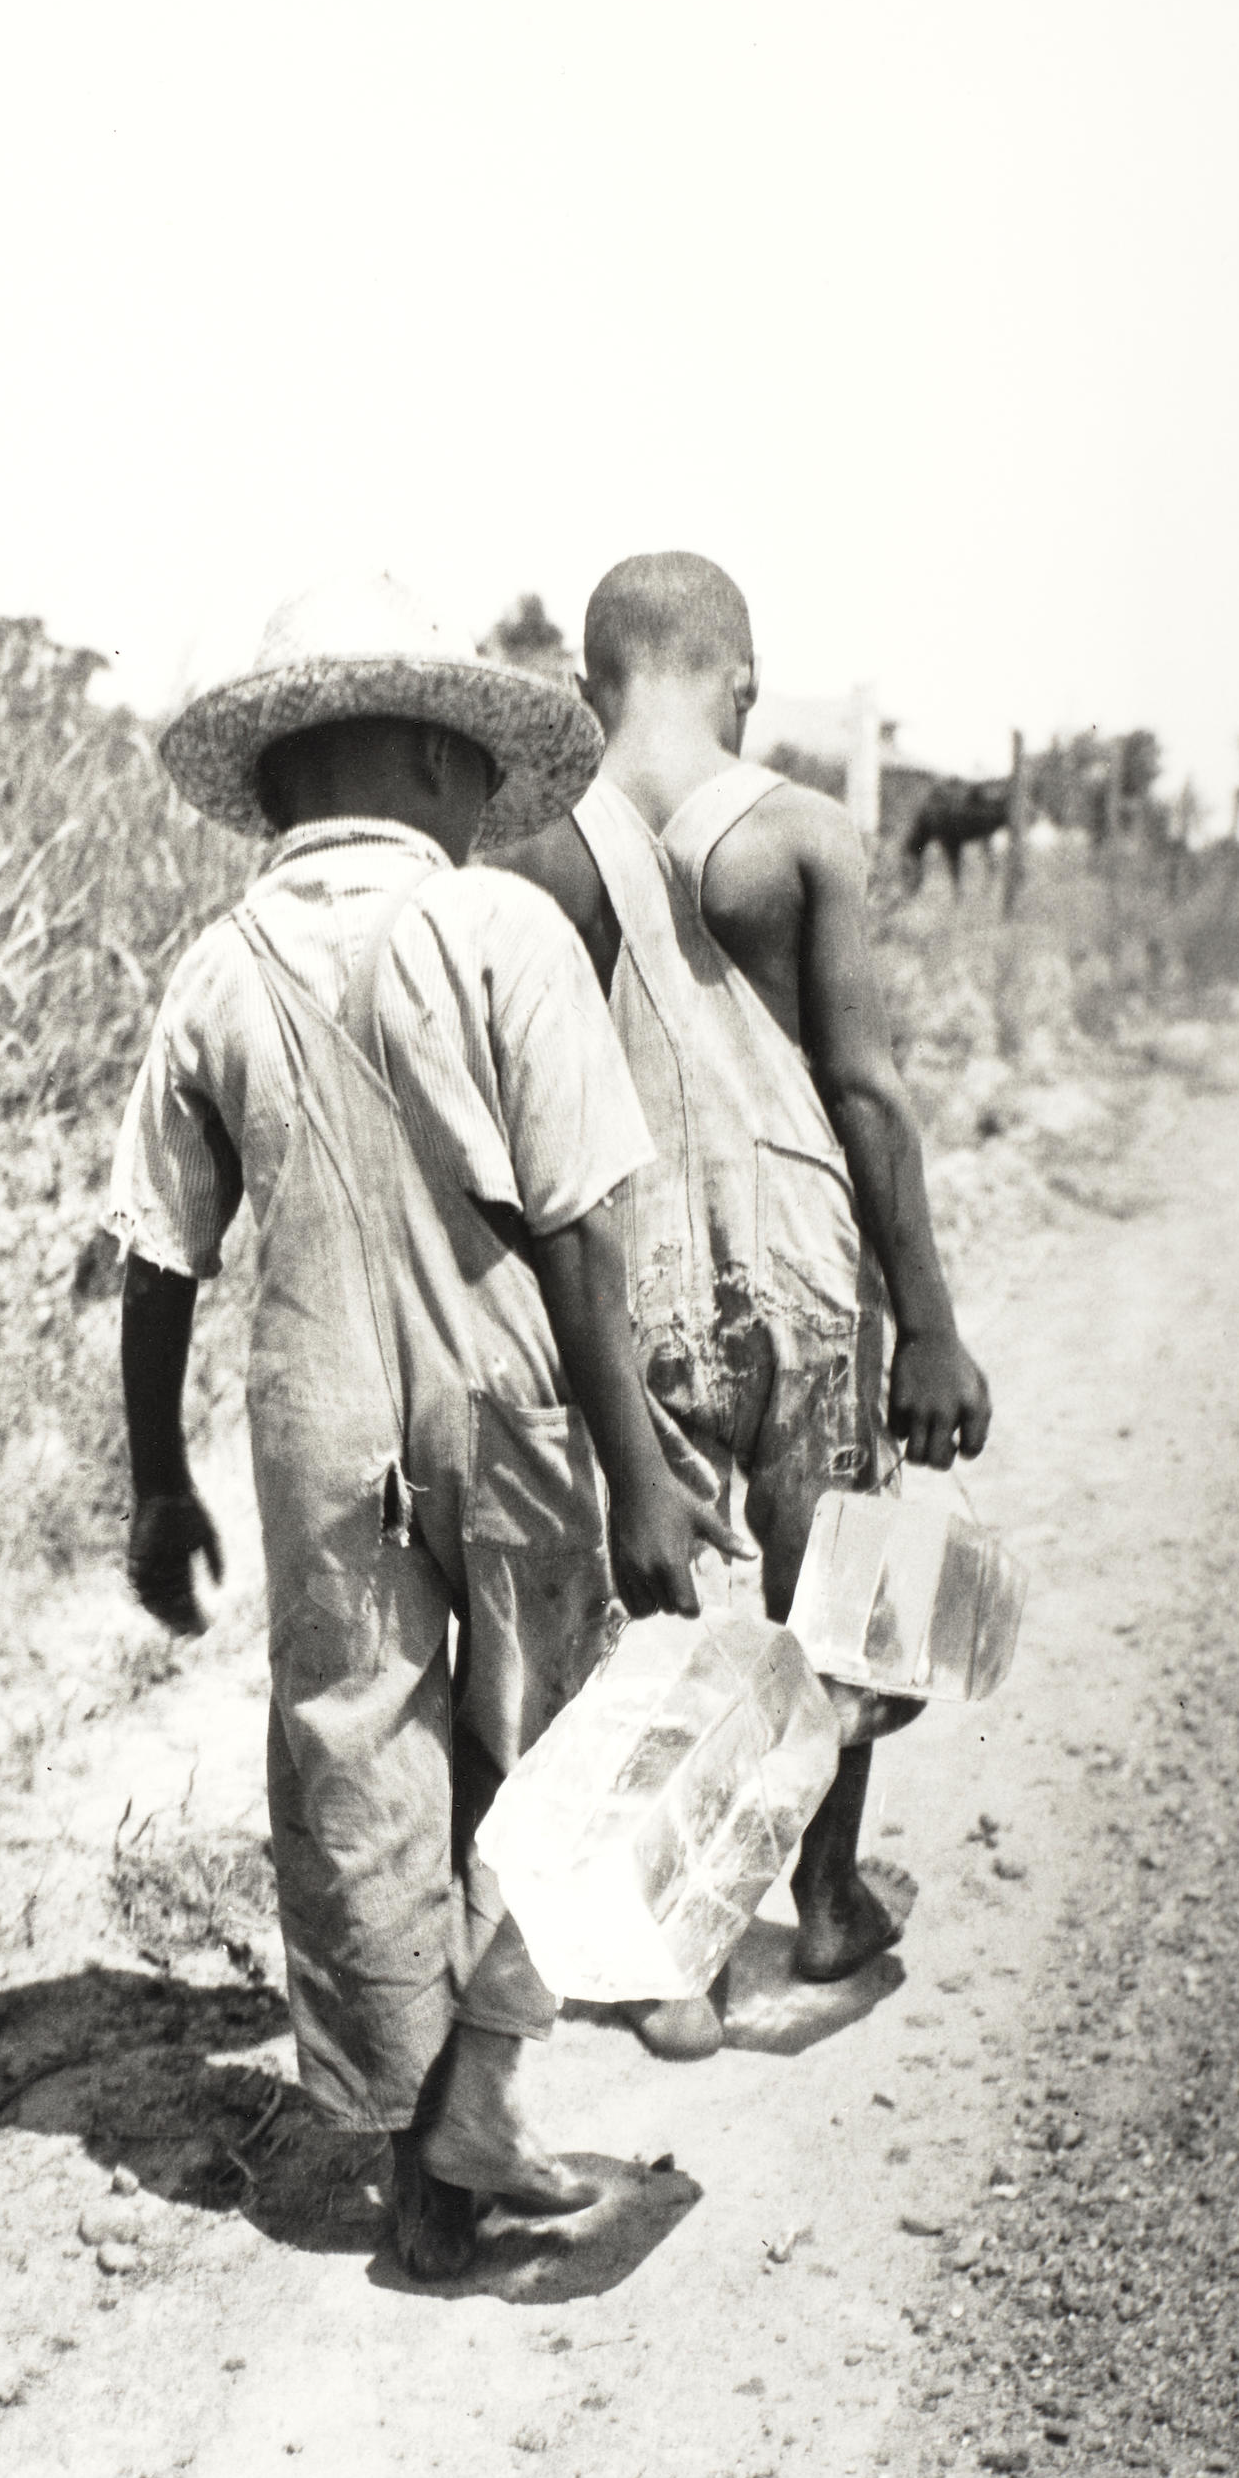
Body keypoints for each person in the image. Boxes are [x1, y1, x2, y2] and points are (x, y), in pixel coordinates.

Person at [108, 574, 737, 2279]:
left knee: (352, 1751)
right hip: (516, 1401)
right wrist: (641, 1473)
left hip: (315, 1425)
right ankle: (474, 2102)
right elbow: (591, 1234)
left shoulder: (213, 972)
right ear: (406, 762)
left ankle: (412, 2166)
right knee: (565, 1743)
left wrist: (161, 1485)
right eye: (466, 766)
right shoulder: (503, 931)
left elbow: (157, 1259)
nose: (481, 799)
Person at [496, 551, 991, 2057]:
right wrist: (933, 1321)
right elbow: (867, 1092)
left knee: (663, 1619)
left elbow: (522, 1129)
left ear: (588, 690)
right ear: (746, 678)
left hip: (632, 1274)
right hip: (807, 1272)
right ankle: (827, 1900)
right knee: (833, 1591)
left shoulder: (537, 860)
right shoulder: (804, 836)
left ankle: (685, 1961)